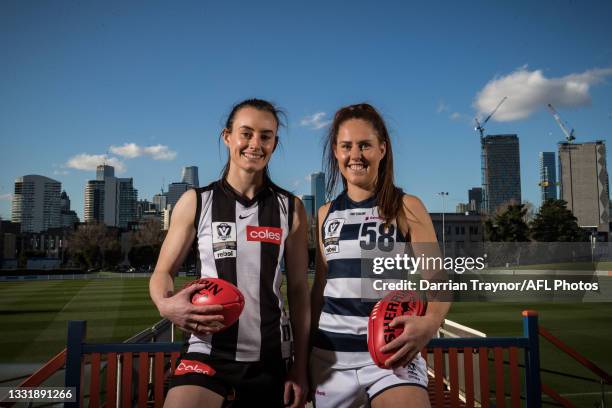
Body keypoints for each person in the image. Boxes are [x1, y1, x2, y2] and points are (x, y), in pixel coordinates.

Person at [149, 98, 309, 408]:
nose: (255, 144)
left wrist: (300, 366)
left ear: (275, 143)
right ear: (227, 137)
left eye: (266, 136)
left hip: (271, 356)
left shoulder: (291, 208)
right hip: (208, 350)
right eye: (246, 133)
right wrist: (165, 305)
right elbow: (162, 272)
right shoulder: (197, 201)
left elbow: (301, 291)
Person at [310, 103, 451, 408]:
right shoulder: (325, 214)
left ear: (382, 150)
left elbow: (438, 278)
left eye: (365, 145)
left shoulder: (406, 206)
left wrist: (430, 323)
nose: (355, 155)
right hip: (330, 358)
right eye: (346, 146)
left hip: (392, 352)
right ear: (336, 151)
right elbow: (320, 289)